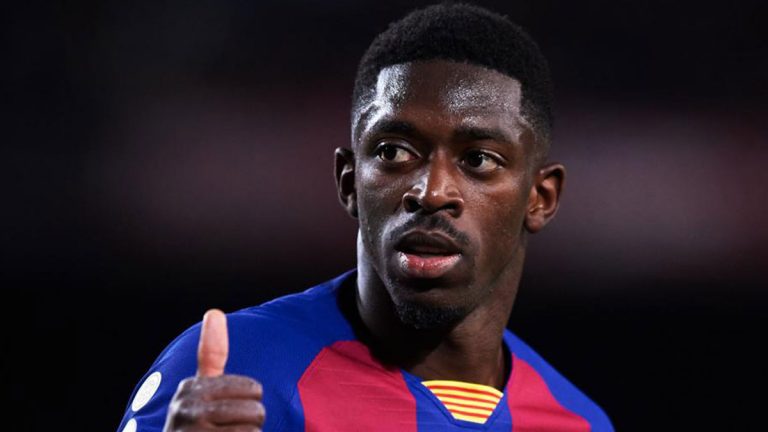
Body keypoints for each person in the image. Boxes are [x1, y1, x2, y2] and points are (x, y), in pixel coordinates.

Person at [117, 3, 613, 431]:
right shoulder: (235, 375)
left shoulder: (579, 423)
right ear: (350, 182)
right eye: (394, 152)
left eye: (478, 159)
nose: (431, 192)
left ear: (540, 198)